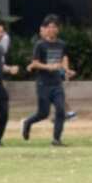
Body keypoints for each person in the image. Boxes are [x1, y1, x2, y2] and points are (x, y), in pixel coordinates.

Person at [21, 15, 75, 146]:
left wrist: (67, 71)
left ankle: (56, 140)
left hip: (57, 83)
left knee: (61, 111)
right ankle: (27, 123)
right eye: (49, 27)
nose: (52, 29)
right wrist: (48, 67)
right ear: (45, 29)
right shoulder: (40, 45)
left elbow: (64, 58)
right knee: (43, 113)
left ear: (58, 29)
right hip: (43, 84)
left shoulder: (61, 44)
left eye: (54, 27)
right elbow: (35, 63)